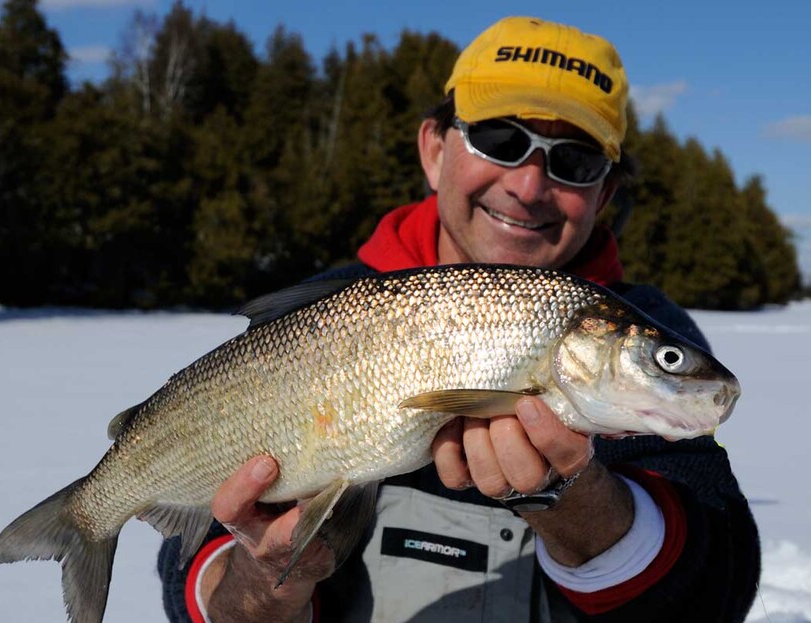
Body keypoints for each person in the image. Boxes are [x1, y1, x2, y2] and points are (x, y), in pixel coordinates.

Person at [159, 16, 760, 622]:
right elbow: (195, 575)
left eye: (573, 162)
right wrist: (264, 581)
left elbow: (716, 585)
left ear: (603, 196)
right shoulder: (324, 312)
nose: (528, 186)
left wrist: (578, 503)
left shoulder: (641, 327)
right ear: (435, 150)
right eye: (501, 139)